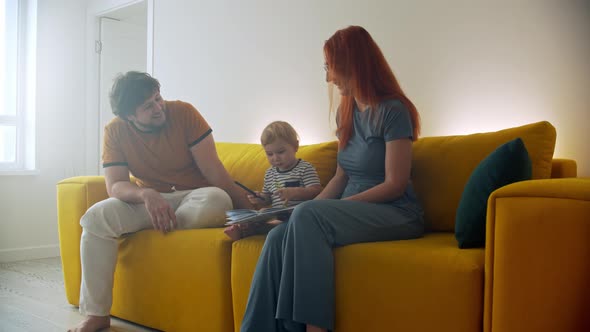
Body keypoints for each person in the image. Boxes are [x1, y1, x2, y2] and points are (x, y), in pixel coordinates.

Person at [240, 26, 425, 332]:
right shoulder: (346, 111)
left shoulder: (394, 111)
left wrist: (331, 209)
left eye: (331, 67)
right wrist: (306, 212)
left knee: (308, 213)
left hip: (397, 212)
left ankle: (311, 328)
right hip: (348, 209)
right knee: (276, 237)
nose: (328, 78)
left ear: (355, 63)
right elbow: (341, 176)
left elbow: (395, 183)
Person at [69, 71, 252, 332]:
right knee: (96, 218)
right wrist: (146, 195)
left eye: (158, 98)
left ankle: (161, 226)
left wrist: (248, 209)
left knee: (217, 199)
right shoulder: (115, 131)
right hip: (150, 202)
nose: (158, 108)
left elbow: (214, 171)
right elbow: (115, 185)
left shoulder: (185, 113)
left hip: (196, 197)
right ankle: (96, 314)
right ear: (129, 116)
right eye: (148, 106)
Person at [224, 121, 323, 241]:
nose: (275, 158)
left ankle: (250, 231)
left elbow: (317, 191)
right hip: (278, 215)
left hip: (299, 215)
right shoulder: (270, 173)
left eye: (281, 152)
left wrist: (296, 192)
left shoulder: (304, 168)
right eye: (269, 154)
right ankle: (246, 228)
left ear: (295, 146)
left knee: (277, 223)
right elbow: (268, 199)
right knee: (263, 211)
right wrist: (260, 197)